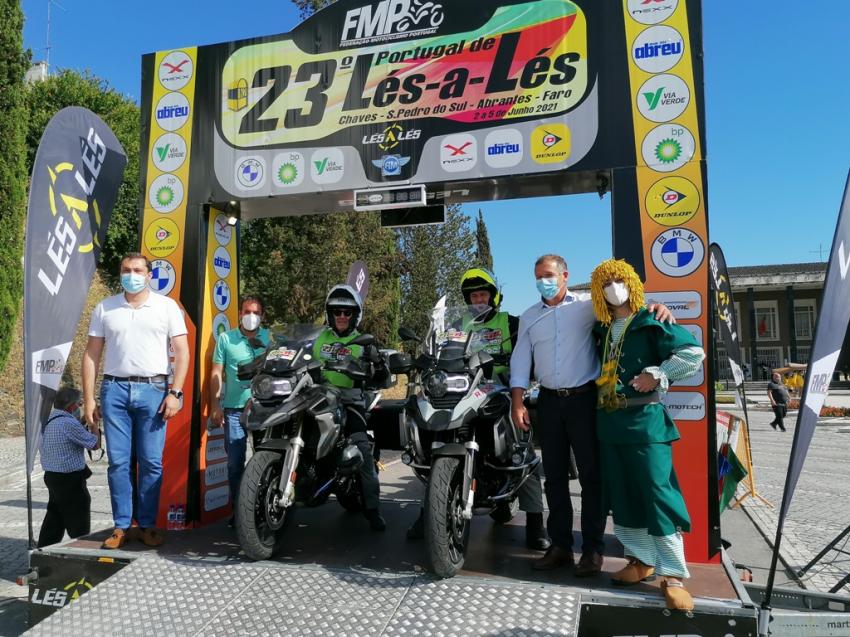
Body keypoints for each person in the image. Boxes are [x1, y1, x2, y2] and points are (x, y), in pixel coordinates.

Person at [509, 254, 673, 575]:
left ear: (565, 275)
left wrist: (658, 306)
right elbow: (519, 361)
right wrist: (517, 402)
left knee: (591, 479)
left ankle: (593, 551)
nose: (544, 281)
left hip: (585, 402)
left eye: (549, 275)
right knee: (554, 478)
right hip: (549, 404)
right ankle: (560, 547)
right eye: (538, 276)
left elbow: (626, 307)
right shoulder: (529, 317)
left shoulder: (587, 305)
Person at [406, 268, 551, 551]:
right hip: (461, 389)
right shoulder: (457, 325)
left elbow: (532, 350)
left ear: (493, 296)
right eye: (474, 295)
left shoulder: (510, 323)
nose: (479, 300)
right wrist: (425, 358)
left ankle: (536, 523)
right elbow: (438, 352)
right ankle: (429, 513)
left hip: (501, 388)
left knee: (523, 452)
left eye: (483, 294)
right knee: (436, 446)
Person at [589, 258, 704, 611]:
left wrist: (657, 374)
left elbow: (692, 353)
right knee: (622, 494)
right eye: (605, 284)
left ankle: (673, 574)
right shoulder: (601, 328)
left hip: (645, 421)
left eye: (618, 281)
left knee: (657, 493)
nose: (613, 288)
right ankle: (640, 561)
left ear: (632, 284)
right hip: (610, 422)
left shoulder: (653, 318)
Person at [82, 252, 189, 549]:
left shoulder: (167, 307)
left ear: (149, 275)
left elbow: (182, 353)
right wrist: (89, 399)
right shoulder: (105, 307)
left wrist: (176, 392)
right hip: (114, 390)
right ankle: (120, 526)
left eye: (138, 270)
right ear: (120, 273)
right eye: (126, 270)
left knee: (151, 462)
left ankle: (147, 525)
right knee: (118, 463)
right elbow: (91, 354)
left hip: (154, 391)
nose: (132, 274)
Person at [313, 284, 385, 532]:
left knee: (362, 449)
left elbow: (381, 377)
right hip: (316, 397)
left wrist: (376, 363)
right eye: (337, 312)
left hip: (350, 401)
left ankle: (373, 509)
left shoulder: (363, 342)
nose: (341, 316)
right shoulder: (319, 337)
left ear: (355, 315)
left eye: (346, 312)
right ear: (329, 314)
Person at [210, 296, 270, 520]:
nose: (251, 316)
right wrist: (215, 403)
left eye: (255, 312)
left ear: (262, 316)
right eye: (247, 311)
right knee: (235, 463)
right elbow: (216, 372)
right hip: (234, 410)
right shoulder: (226, 338)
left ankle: (262, 510)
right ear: (239, 314)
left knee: (265, 461)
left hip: (266, 409)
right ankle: (238, 512)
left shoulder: (270, 337)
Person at [37, 386, 101, 547]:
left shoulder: (49, 419)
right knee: (78, 516)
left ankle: (45, 548)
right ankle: (82, 548)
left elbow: (72, 433)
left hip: (52, 476)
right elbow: (95, 444)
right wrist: (94, 424)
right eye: (79, 404)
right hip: (69, 479)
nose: (79, 408)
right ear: (71, 406)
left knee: (55, 516)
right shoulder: (68, 423)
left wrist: (83, 422)